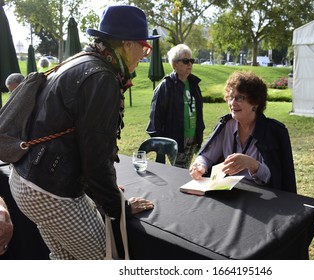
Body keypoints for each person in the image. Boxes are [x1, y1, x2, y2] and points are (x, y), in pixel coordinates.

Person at [9, 5, 158, 260]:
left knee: (65, 260)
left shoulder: (80, 61)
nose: (144, 55)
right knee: (105, 260)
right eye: (144, 47)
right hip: (51, 192)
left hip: (26, 182)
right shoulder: (102, 77)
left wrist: (107, 195)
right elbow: (95, 160)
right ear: (126, 44)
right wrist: (119, 207)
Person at [189, 71, 297, 193]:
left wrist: (251, 164)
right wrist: (200, 165)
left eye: (239, 98)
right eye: (230, 97)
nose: (232, 103)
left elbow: (270, 178)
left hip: (259, 197)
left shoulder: (271, 131)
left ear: (255, 103)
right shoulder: (226, 125)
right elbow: (206, 156)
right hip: (228, 193)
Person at [146, 44, 205, 169]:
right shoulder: (165, 86)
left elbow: (199, 112)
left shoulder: (194, 84)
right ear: (174, 64)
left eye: (191, 61)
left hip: (192, 137)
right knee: (179, 172)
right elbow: (155, 118)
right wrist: (162, 143)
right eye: (185, 61)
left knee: (184, 169)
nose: (190, 64)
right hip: (175, 138)